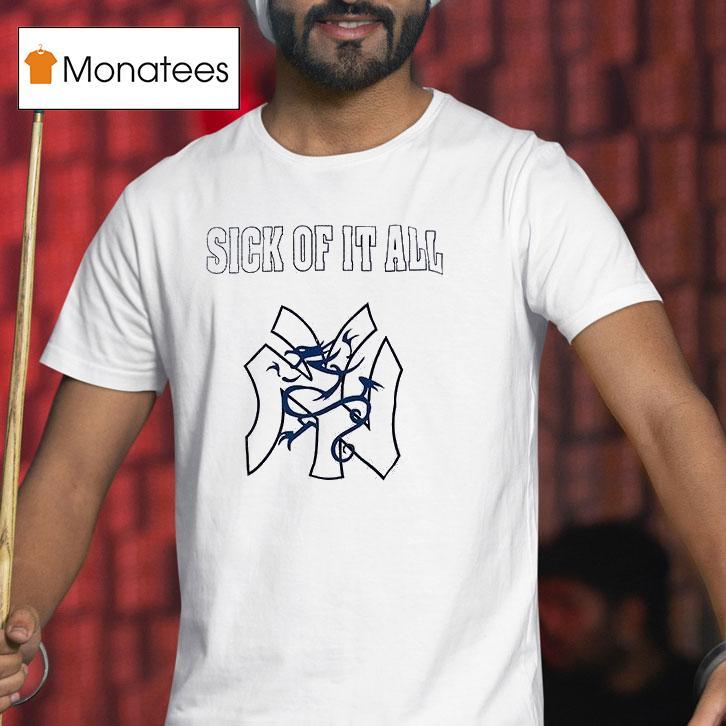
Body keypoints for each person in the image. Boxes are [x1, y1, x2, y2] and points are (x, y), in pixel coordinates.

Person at [2, 0, 725, 721]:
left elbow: (664, 412)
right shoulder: (163, 207)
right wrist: (15, 622)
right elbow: (70, 473)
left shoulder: (523, 182)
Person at [538, 520, 699, 725]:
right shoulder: (545, 701)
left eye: (567, 606)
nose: (550, 626)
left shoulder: (702, 699)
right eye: (543, 610)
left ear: (629, 617)